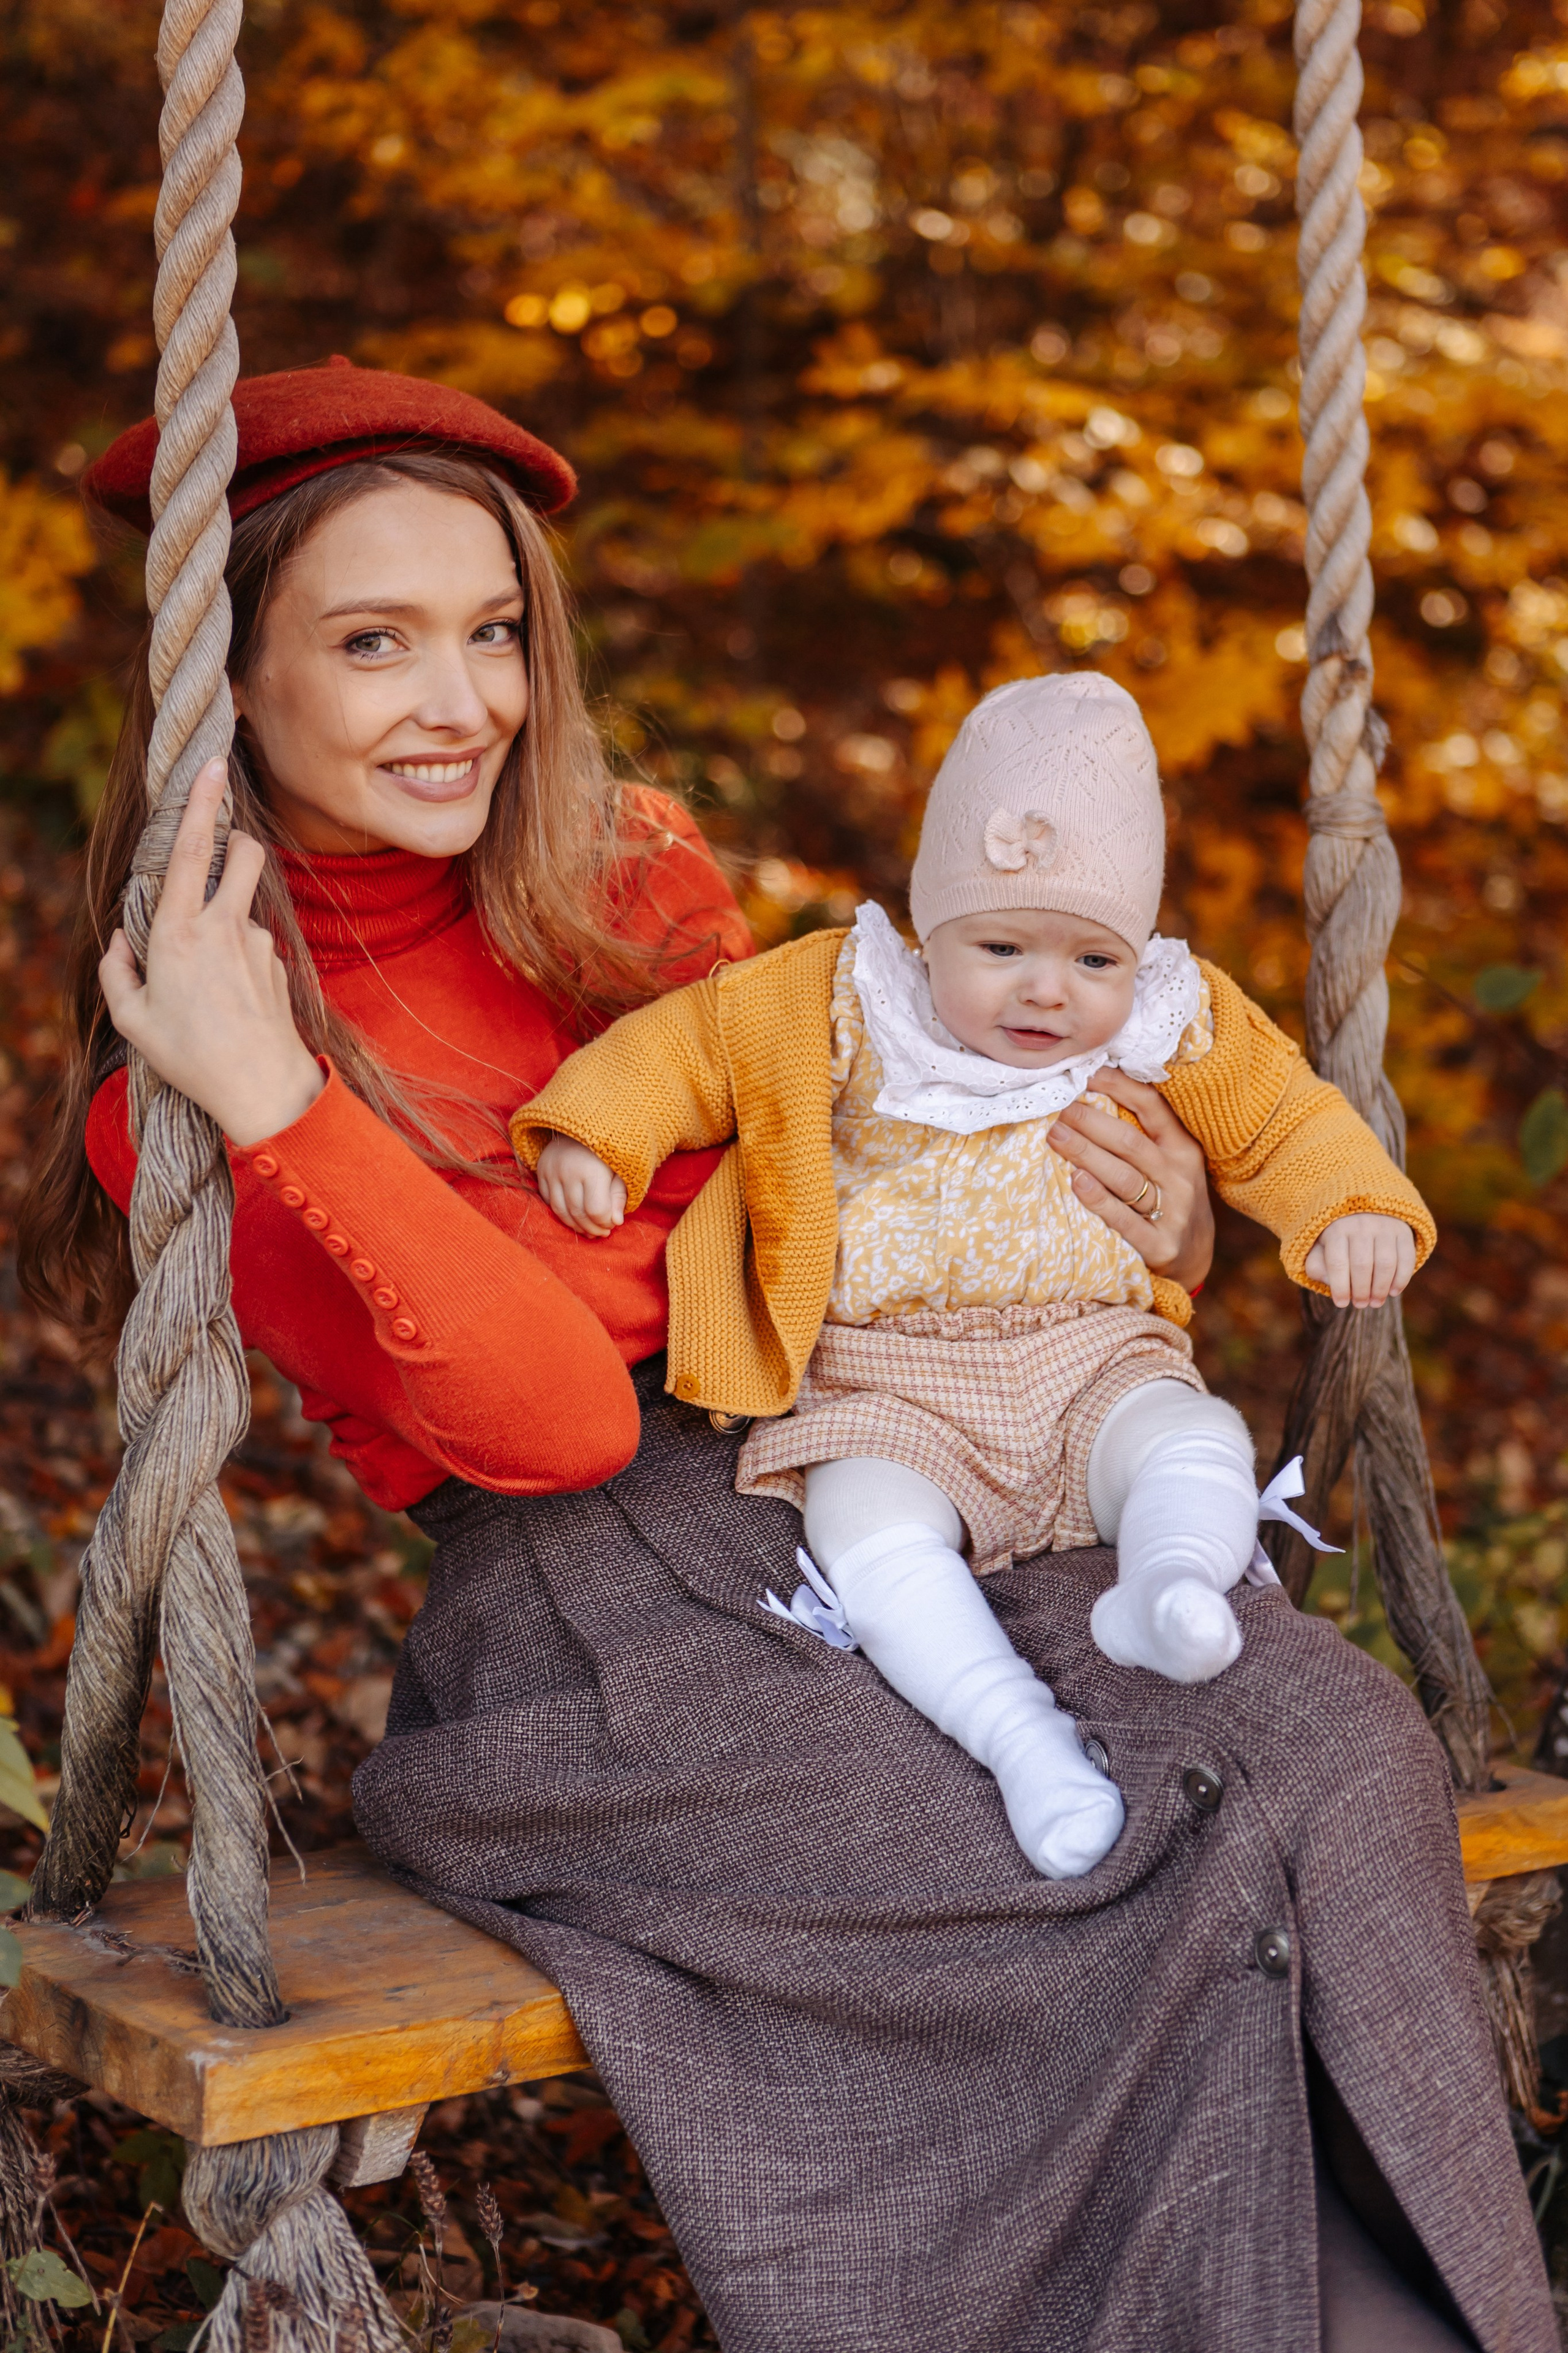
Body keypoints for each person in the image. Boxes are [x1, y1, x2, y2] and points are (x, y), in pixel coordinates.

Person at [18, 362, 1549, 2353]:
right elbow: (550, 1415)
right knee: (1062, 1873)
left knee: (1330, 1749)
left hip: (903, 1444)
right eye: (373, 641)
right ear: (225, 677)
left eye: (492, 632)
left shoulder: (628, 876)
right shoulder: (201, 1082)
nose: (459, 700)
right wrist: (284, 1101)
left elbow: (858, 1207)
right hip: (597, 1616)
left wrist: (1147, 1222)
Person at [517, 671, 1433, 1883]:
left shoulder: (1169, 1019)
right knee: (863, 1531)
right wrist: (600, 1131)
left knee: (1189, 1437)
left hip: (1089, 1357)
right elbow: (686, 1048)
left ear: (1138, 948)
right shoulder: (840, 1001)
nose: (1048, 989)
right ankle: (1018, 1739)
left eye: (1091, 955)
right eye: (1001, 946)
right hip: (888, 1387)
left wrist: (1350, 1205)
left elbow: (1280, 1122)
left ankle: (1171, 1587)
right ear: (926, 927)